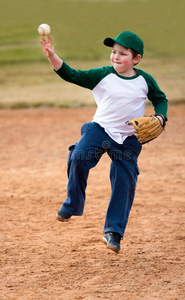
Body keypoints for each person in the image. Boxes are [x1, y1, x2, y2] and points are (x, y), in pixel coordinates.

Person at [40, 31, 168, 253]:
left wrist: (160, 117)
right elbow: (72, 74)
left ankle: (113, 233)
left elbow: (160, 99)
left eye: (122, 53)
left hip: (128, 139)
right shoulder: (103, 75)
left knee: (125, 180)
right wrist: (52, 55)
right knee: (78, 157)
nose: (116, 57)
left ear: (136, 59)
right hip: (100, 130)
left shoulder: (144, 80)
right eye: (114, 52)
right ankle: (73, 204)